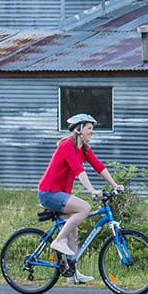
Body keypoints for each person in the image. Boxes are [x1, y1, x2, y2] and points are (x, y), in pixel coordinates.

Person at [36, 113, 123, 284]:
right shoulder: (67, 146)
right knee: (84, 208)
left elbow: (99, 166)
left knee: (73, 232)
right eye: (89, 128)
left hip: (61, 194)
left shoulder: (83, 149)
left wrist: (115, 185)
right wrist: (91, 190)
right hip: (49, 192)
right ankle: (58, 241)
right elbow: (78, 170)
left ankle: (72, 273)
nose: (92, 132)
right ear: (79, 129)